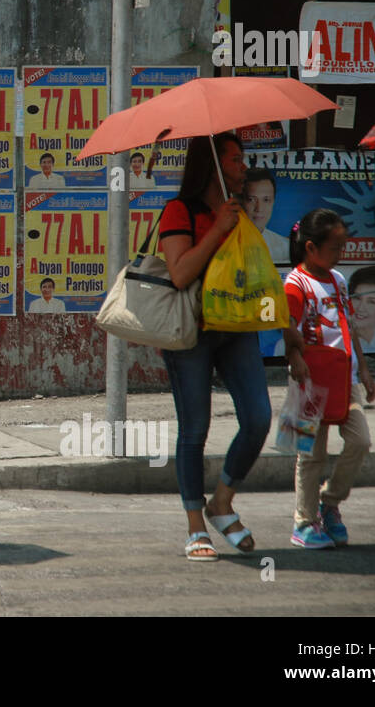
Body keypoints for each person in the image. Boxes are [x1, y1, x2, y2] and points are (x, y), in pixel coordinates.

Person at [157, 132, 271, 561]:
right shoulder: (178, 210)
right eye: (237, 160)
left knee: (259, 417)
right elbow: (181, 273)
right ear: (214, 165)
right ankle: (194, 527)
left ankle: (221, 501)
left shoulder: (240, 212)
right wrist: (218, 228)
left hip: (237, 326)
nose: (244, 168)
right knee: (195, 429)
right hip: (192, 332)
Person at [283, 209, 375, 548]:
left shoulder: (338, 280)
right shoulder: (296, 284)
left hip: (344, 380)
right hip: (310, 382)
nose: (340, 254)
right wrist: (295, 360)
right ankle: (304, 522)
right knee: (311, 454)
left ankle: (330, 502)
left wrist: (363, 370)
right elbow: (287, 329)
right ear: (311, 247)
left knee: (360, 439)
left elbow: (347, 327)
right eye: (335, 247)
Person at [242, 167, 290, 263]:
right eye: (251, 199)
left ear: (273, 202)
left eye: (266, 200)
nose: (259, 208)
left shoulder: (284, 248)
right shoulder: (226, 242)